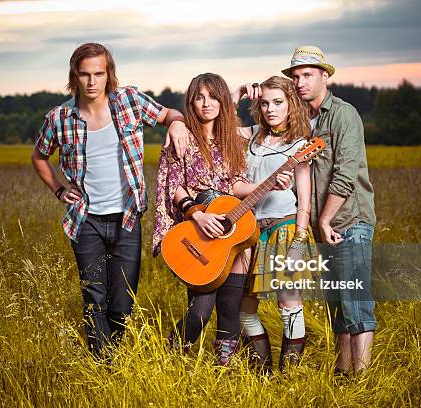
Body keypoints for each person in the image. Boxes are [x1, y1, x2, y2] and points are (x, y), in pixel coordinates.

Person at [31, 42, 188, 358]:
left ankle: (115, 355)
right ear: (75, 76)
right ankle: (104, 365)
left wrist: (178, 122)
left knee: (122, 302)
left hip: (126, 218)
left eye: (98, 74)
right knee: (94, 298)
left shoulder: (129, 101)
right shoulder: (60, 118)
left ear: (108, 74)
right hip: (85, 219)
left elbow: (170, 113)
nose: (91, 82)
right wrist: (59, 190)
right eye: (84, 74)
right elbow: (39, 157)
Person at [236, 45, 377, 376]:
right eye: (295, 76)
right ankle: (343, 374)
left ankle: (363, 379)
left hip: (347, 221)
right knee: (335, 306)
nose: (300, 82)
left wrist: (322, 220)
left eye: (308, 75)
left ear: (324, 76)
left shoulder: (343, 115)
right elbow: (232, 129)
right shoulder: (299, 121)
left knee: (355, 302)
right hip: (313, 226)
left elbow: (344, 174)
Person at [153, 73, 293, 365]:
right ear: (190, 102)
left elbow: (236, 184)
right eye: (199, 97)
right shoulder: (182, 136)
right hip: (198, 228)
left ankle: (224, 365)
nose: (207, 104)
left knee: (230, 309)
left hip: (232, 229)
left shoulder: (231, 140)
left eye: (213, 97)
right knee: (201, 312)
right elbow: (174, 185)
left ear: (221, 101)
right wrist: (198, 215)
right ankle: (171, 354)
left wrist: (267, 184)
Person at [232, 76, 317, 373]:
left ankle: (289, 375)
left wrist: (298, 242)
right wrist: (239, 93)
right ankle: (263, 372)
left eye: (278, 102)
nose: (270, 109)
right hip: (249, 231)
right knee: (243, 308)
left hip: (285, 227)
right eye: (265, 103)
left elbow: (304, 200)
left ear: (290, 104)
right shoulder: (254, 136)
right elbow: (220, 129)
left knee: (288, 303)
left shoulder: (299, 145)